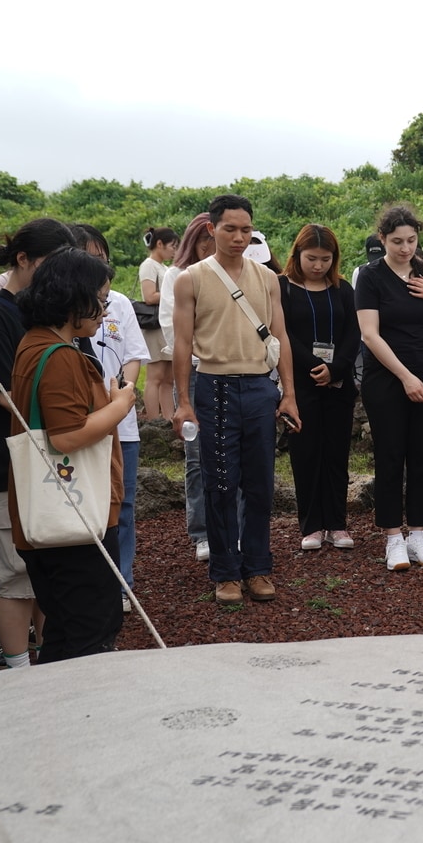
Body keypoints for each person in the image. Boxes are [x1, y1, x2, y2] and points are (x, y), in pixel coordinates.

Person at [10, 247, 137, 661]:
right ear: (72, 299)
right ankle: (84, 720)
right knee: (90, 629)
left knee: (64, 630)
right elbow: (66, 437)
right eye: (99, 300)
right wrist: (120, 405)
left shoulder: (34, 343)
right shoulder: (61, 356)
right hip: (76, 518)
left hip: (47, 517)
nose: (104, 310)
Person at [172, 194, 300, 604]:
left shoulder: (267, 278)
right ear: (211, 229)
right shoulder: (191, 278)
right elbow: (181, 343)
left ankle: (258, 567)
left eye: (246, 230)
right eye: (230, 229)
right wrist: (184, 403)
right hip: (215, 386)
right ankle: (225, 571)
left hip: (261, 387)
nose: (239, 237)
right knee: (221, 482)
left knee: (260, 482)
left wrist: (289, 394)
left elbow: (280, 338)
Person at [0, 218, 74, 669]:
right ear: (22, 259)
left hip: (46, 456)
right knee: (14, 571)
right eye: (52, 265)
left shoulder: (42, 311)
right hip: (10, 459)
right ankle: (16, 667)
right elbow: (4, 394)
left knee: (43, 569)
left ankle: (43, 653)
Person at [356, 204, 423, 572]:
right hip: (387, 377)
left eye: (411, 240)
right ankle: (393, 537)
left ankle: (418, 532)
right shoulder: (370, 277)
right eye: (396, 241)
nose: (404, 248)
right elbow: (370, 334)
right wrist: (405, 377)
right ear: (382, 239)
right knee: (391, 455)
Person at [280, 224, 360, 552]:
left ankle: (337, 523)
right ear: (297, 255)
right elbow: (281, 331)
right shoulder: (283, 287)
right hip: (300, 383)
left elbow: (354, 332)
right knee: (306, 453)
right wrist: (313, 363)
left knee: (336, 453)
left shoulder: (342, 289)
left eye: (325, 259)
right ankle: (311, 524)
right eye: (311, 258)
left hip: (338, 383)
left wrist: (336, 366)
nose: (318, 265)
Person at [84, 234, 150, 612]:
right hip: (83, 424)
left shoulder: (119, 303)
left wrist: (123, 392)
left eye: (102, 257)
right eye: (89, 257)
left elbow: (134, 355)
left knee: (121, 505)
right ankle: (93, 582)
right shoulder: (63, 309)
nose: (98, 265)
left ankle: (122, 583)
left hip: (120, 423)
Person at [159, 213, 214, 564]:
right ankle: (201, 532)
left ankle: (232, 529)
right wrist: (204, 353)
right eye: (207, 244)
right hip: (193, 372)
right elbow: (170, 327)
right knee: (196, 457)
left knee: (231, 452)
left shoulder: (234, 273)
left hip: (227, 372)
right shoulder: (176, 276)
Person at [138, 226, 179, 420]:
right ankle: (154, 419)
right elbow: (149, 296)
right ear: (159, 244)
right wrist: (174, 293)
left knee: (168, 378)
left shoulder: (164, 267)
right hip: (155, 327)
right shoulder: (149, 265)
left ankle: (168, 419)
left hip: (166, 326)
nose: (174, 251)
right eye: (172, 246)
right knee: (155, 376)